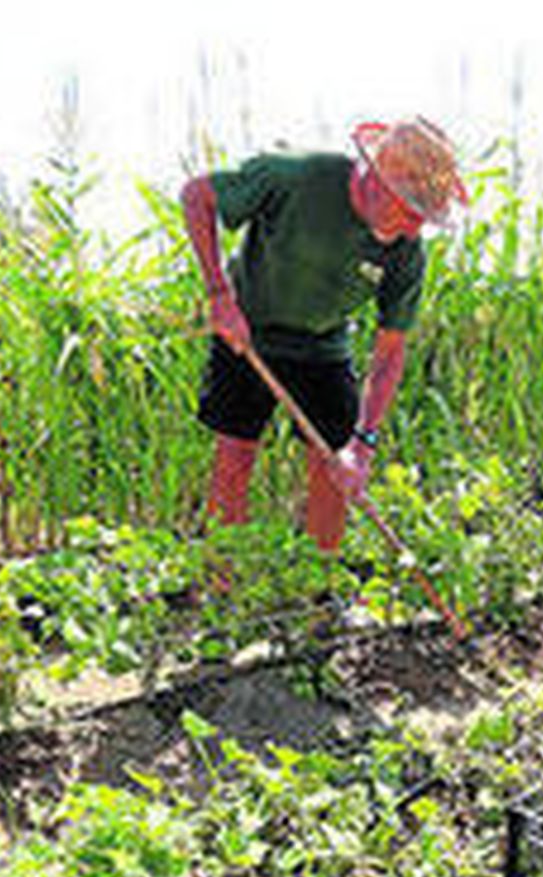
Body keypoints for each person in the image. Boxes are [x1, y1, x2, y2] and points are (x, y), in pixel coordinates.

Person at [181, 116, 466, 553]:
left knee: (334, 469)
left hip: (323, 346)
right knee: (234, 458)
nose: (414, 229)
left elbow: (390, 351)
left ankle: (321, 582)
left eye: (423, 218)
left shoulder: (406, 252)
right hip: (248, 331)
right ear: (377, 181)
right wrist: (219, 295)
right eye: (411, 212)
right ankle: (221, 581)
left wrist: (362, 445)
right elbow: (197, 194)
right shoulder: (297, 175)